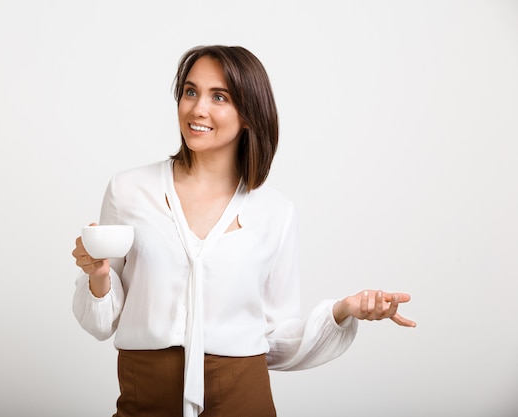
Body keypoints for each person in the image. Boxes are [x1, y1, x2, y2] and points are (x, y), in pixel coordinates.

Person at [71, 44, 416, 417]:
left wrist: (342, 310)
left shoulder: (276, 212)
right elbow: (102, 322)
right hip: (145, 395)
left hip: (242, 397)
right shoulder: (129, 190)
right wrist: (99, 276)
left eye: (219, 97)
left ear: (249, 115)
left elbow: (276, 337)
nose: (197, 109)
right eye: (190, 92)